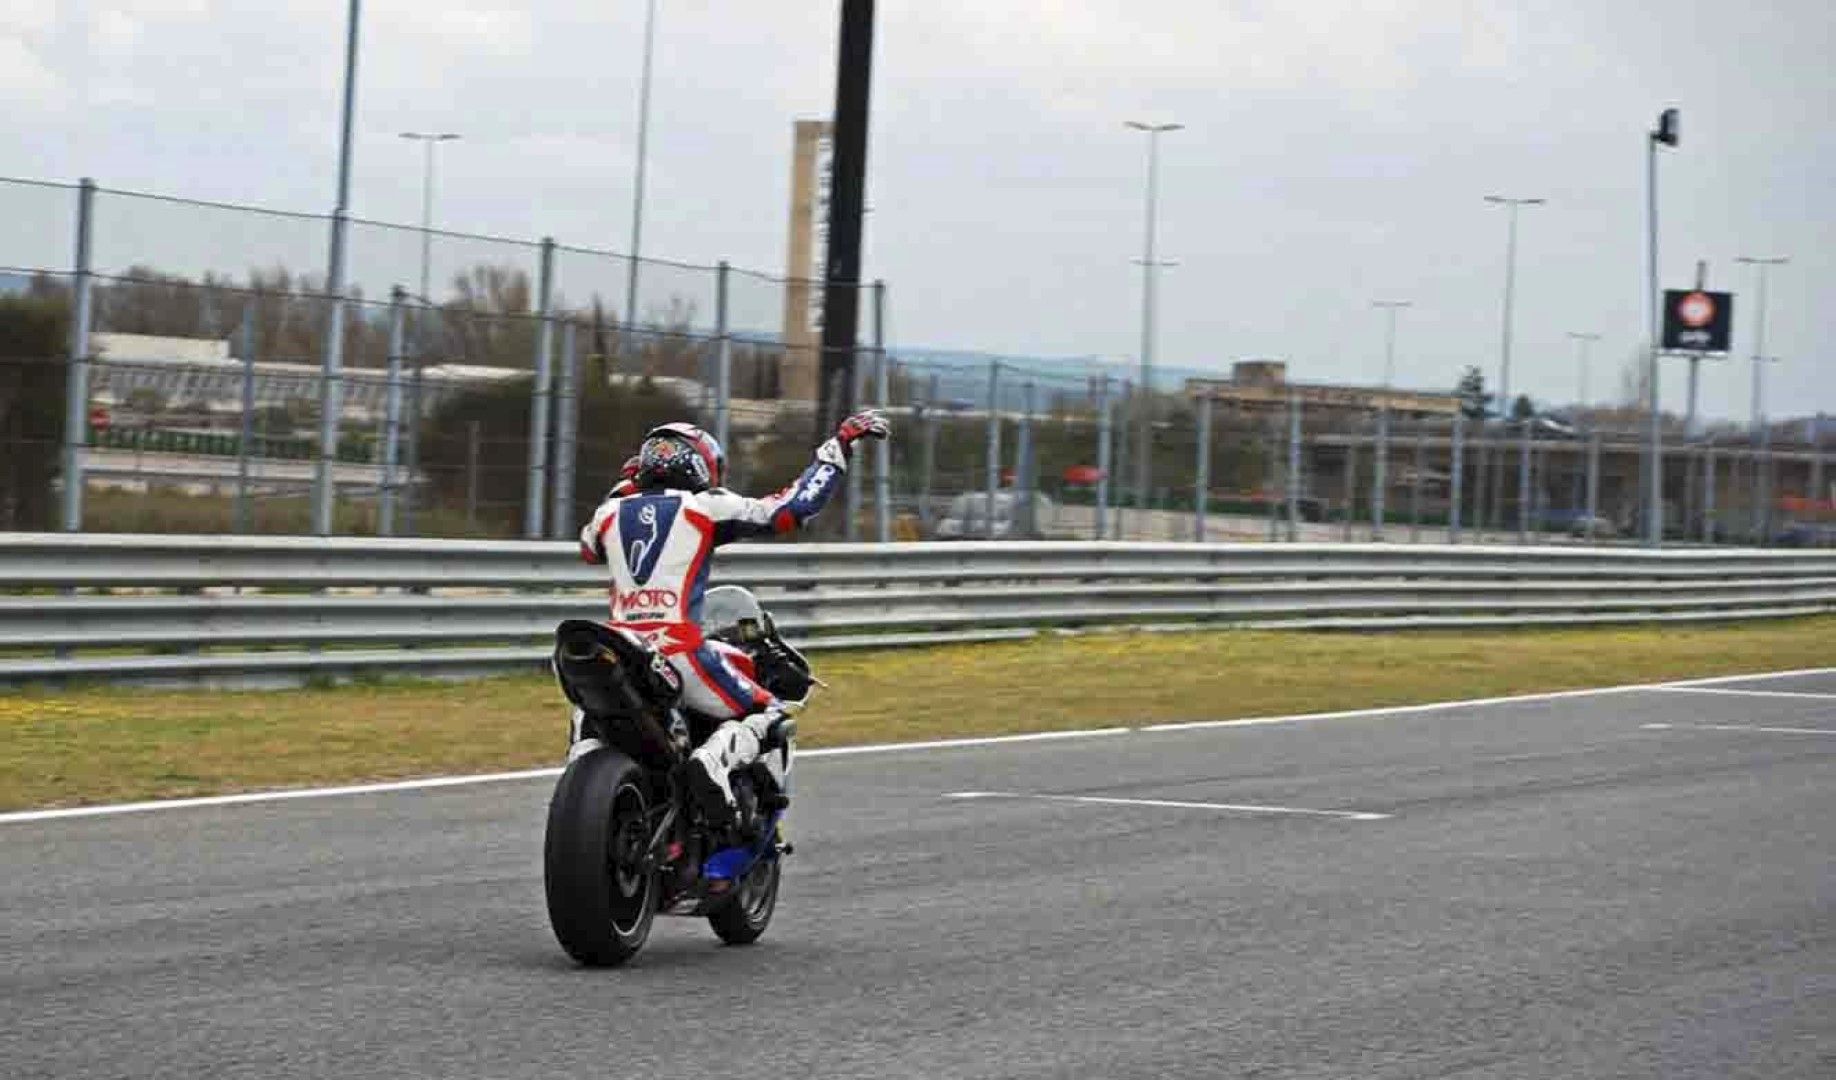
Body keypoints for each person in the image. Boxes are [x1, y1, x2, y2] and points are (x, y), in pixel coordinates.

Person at [576, 411, 890, 822]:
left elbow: (588, 548)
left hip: (618, 647)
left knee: (588, 713)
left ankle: (577, 780)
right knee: (770, 710)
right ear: (698, 464)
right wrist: (837, 448)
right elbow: (791, 508)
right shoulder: (705, 505)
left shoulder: (608, 514)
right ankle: (712, 763)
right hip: (679, 650)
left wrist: (630, 488)